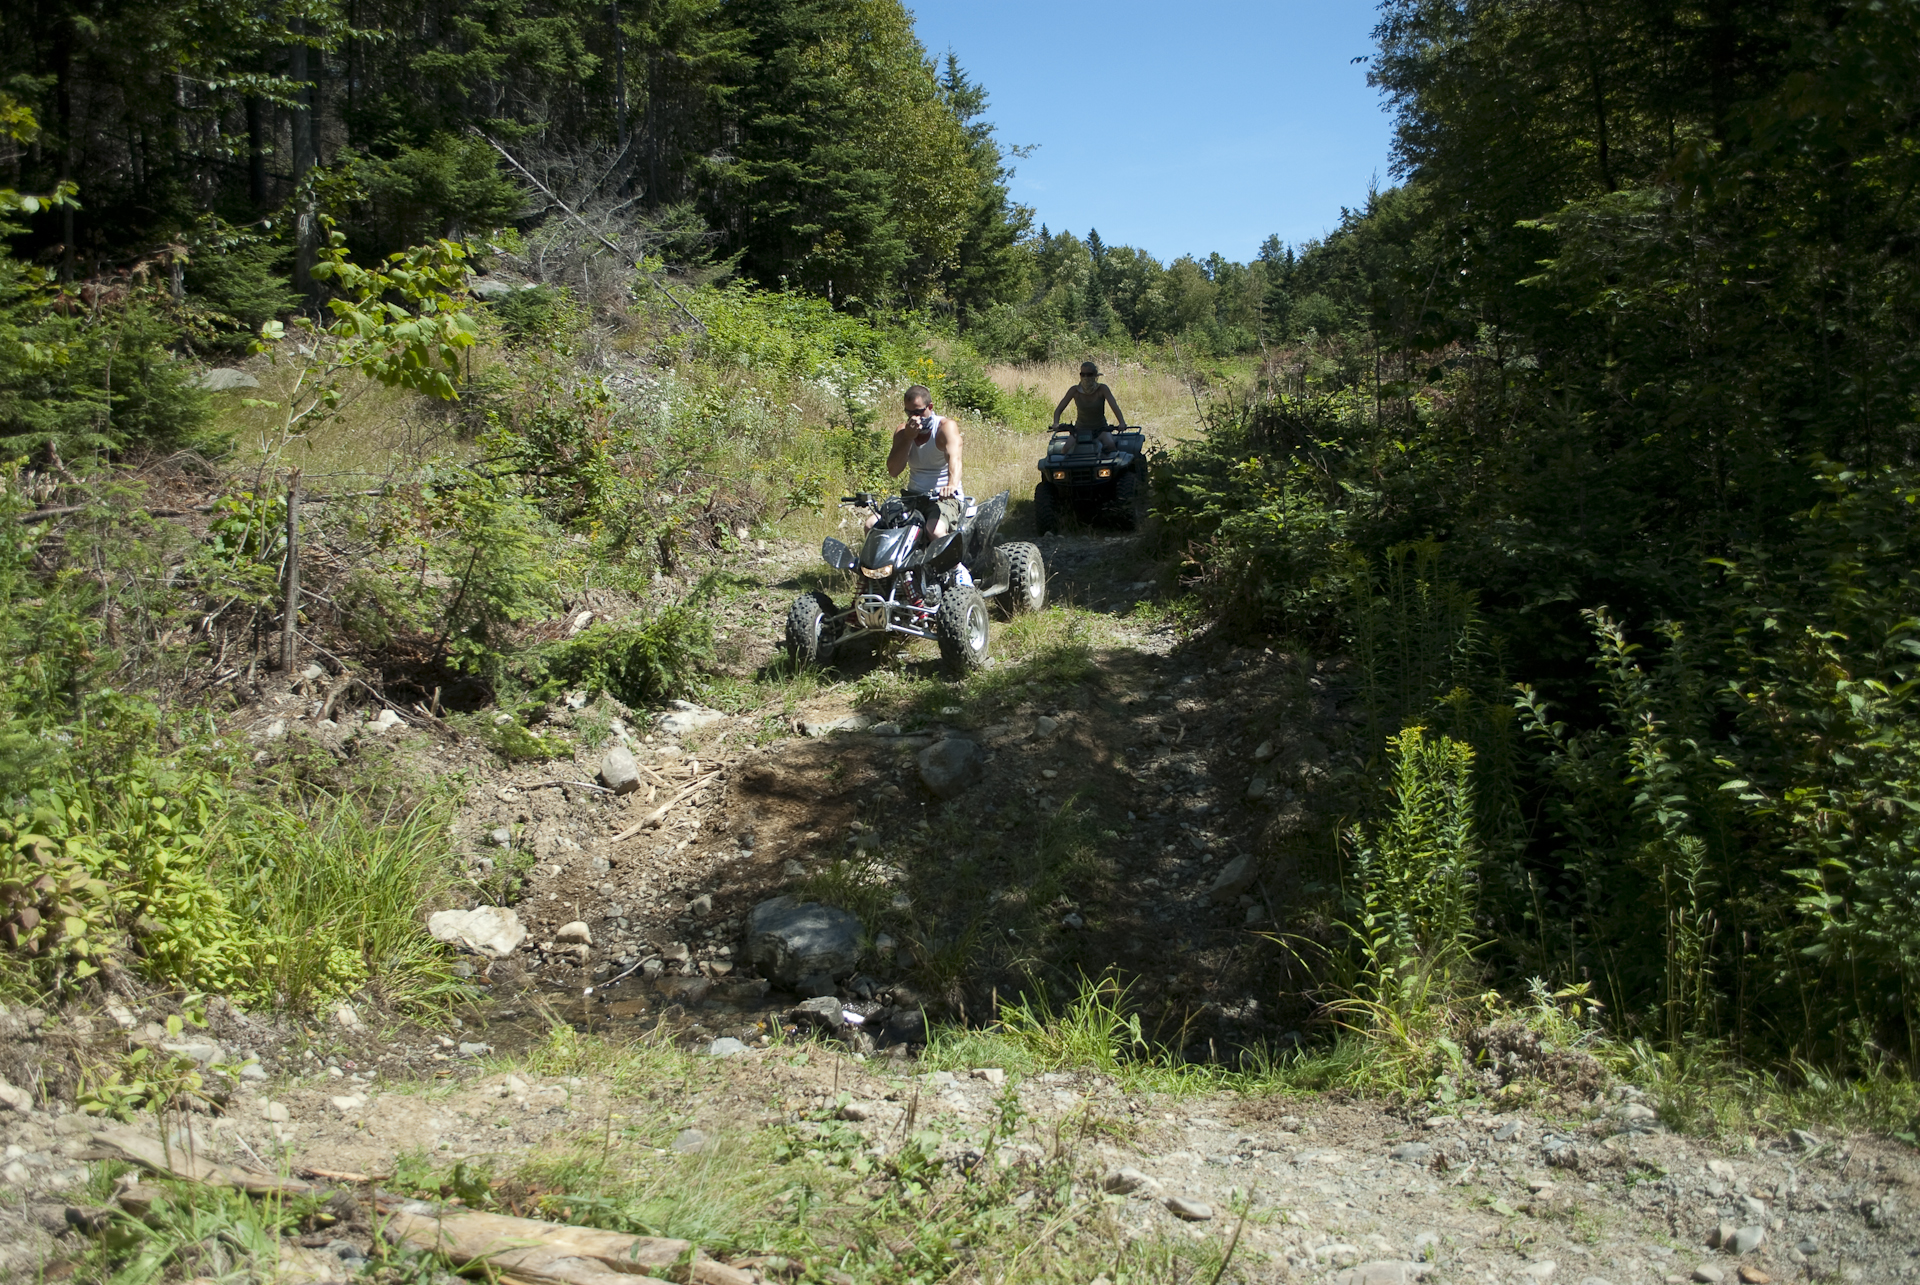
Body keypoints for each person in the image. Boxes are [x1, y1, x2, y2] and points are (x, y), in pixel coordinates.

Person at [884, 383, 966, 539]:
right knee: (873, 524)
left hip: (943, 497)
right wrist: (908, 438)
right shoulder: (903, 431)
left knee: (934, 531)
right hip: (913, 497)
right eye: (909, 412)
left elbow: (955, 457)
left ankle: (952, 564)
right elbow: (893, 470)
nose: (914, 417)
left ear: (930, 407)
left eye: (918, 412)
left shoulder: (944, 427)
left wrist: (951, 485)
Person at [1052, 361, 1128, 449]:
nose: (1085, 377)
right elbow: (1059, 409)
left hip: (1101, 429)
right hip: (1080, 429)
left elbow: (1114, 407)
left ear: (1095, 375)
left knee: (1111, 446)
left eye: (1089, 374)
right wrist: (1056, 423)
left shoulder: (1102, 389)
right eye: (1082, 374)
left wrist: (1121, 422)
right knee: (1066, 449)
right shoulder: (1074, 390)